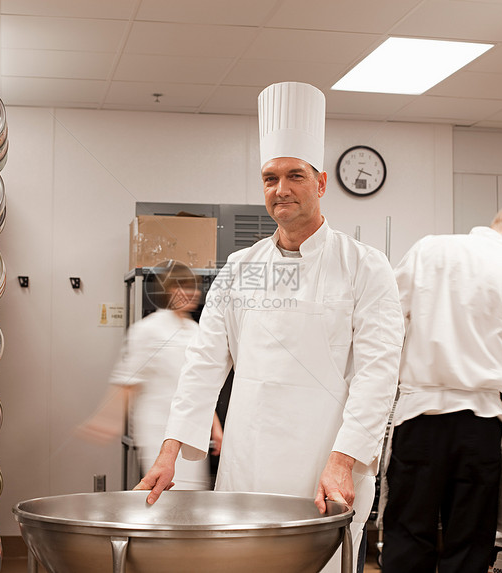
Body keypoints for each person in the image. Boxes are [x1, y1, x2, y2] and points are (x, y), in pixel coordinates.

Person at [136, 81, 404, 573]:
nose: (281, 189)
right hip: (249, 465)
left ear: (321, 183)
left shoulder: (366, 266)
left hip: (324, 468)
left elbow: (377, 375)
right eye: (270, 177)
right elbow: (203, 364)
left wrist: (343, 462)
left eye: (295, 176)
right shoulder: (240, 268)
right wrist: (169, 452)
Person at [380, 205, 502, 573]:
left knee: (407, 541)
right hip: (479, 428)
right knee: (468, 548)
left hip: (418, 420)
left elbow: (384, 329)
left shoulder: (427, 250)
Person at [81, 261, 223, 490]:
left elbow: (199, 385)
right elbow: (127, 383)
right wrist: (108, 420)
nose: (191, 293)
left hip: (189, 429)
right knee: (164, 492)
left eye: (193, 287)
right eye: (182, 287)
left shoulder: (195, 331)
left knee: (190, 495)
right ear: (167, 291)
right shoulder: (147, 330)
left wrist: (215, 427)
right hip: (157, 427)